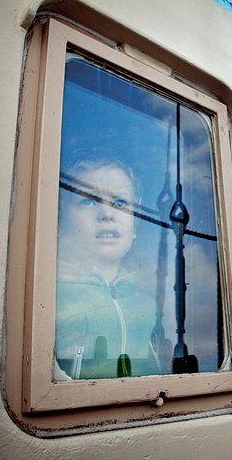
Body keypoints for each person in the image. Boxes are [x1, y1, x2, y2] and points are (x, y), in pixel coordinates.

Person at [54, 157, 160, 380]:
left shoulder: (147, 304)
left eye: (120, 203)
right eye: (88, 201)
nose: (107, 214)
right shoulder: (51, 295)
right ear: (60, 220)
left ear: (135, 227)